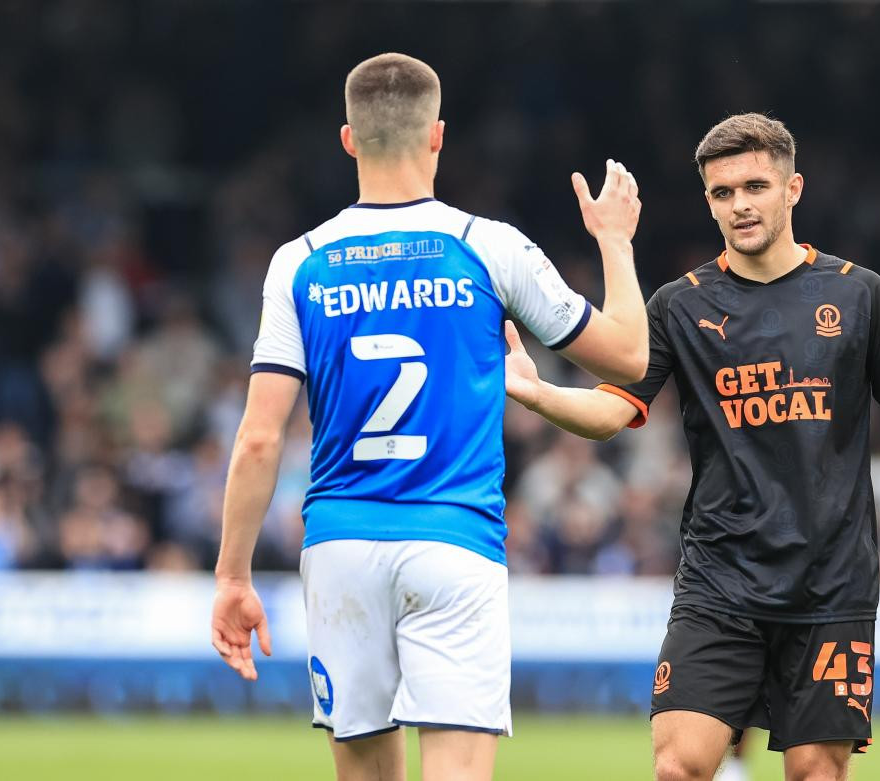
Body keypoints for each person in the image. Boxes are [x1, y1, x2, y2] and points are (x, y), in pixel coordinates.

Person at [210, 52, 647, 781]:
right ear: (438, 136)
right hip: (453, 542)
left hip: (342, 545)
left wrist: (231, 575)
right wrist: (615, 241)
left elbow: (259, 436)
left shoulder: (299, 261)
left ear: (347, 139)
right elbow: (630, 357)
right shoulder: (488, 247)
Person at [504, 113, 880, 781]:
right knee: (679, 766)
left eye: (755, 185)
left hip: (831, 581)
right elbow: (611, 410)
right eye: (722, 192)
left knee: (814, 773)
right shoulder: (679, 307)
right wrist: (539, 394)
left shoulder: (860, 295)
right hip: (721, 577)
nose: (739, 204)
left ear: (792, 188)